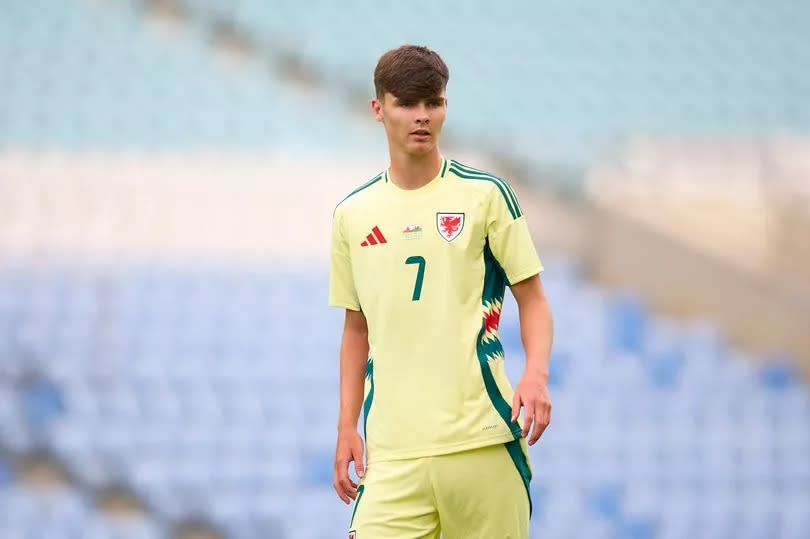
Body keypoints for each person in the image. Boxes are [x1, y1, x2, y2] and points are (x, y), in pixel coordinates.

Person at [328, 44, 553, 538]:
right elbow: (355, 327)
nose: (422, 116)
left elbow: (533, 298)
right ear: (378, 109)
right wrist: (347, 426)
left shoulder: (485, 196)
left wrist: (535, 374)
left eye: (433, 103)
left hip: (482, 442)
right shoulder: (353, 214)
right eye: (407, 103)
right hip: (391, 457)